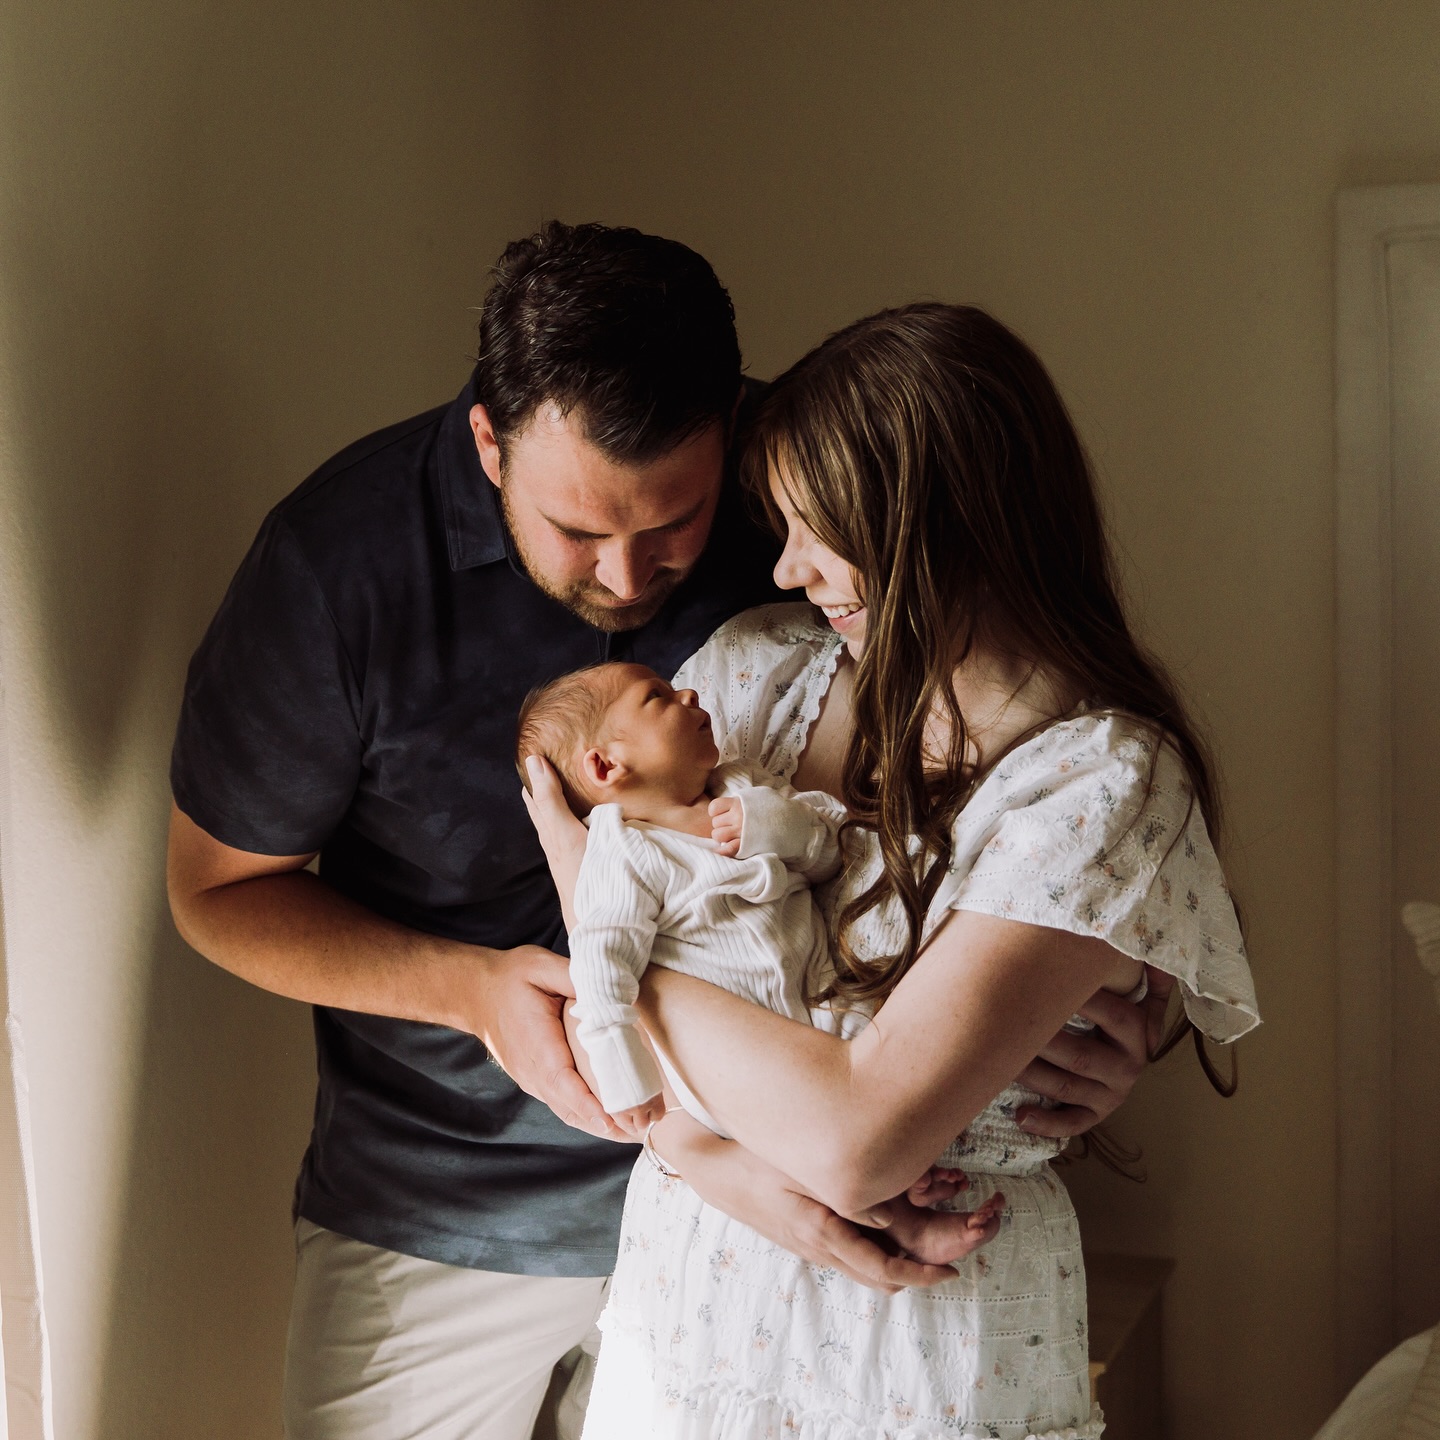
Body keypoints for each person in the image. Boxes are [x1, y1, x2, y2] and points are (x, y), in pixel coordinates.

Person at [165, 218, 1158, 1440]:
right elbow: (215, 890)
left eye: (673, 524)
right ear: (489, 443)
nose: (631, 577)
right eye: (580, 531)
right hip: (448, 1204)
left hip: (782, 1193)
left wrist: (1093, 1034)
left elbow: (1018, 824)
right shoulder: (336, 571)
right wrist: (477, 992)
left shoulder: (803, 526)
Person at [525, 303, 1261, 1439]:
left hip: (912, 1332)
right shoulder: (755, 679)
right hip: (695, 1284)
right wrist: (718, 1168)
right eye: (781, 525)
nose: (787, 565)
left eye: (822, 529)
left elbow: (857, 1142)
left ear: (951, 515)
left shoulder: (1101, 783)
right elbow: (619, 1068)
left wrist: (605, 930)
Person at [516, 660, 1005, 1265]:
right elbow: (601, 965)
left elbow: (830, 856)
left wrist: (782, 828)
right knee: (807, 1140)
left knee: (883, 1070)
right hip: (731, 1059)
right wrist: (621, 1068)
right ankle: (907, 1221)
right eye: (658, 696)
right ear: (605, 766)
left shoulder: (742, 786)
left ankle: (899, 1191)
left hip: (819, 998)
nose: (689, 690)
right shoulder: (624, 854)